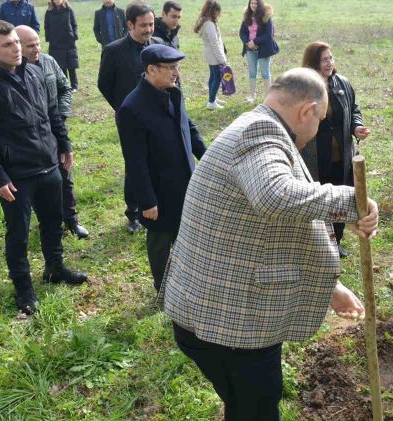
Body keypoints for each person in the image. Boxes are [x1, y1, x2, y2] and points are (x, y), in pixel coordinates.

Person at [160, 68, 378, 421]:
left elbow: (270, 227)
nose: (318, 128)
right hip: (230, 326)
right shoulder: (259, 133)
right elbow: (275, 196)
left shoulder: (260, 128)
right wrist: (353, 201)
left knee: (246, 405)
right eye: (320, 119)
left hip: (221, 316)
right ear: (306, 111)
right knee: (257, 408)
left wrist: (331, 287)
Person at [0, 20, 86, 315]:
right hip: (16, 175)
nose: (16, 49)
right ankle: (24, 289)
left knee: (53, 222)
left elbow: (51, 113)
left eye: (16, 42)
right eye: (7, 44)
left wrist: (64, 144)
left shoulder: (34, 72)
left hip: (48, 164)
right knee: (18, 233)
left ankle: (55, 269)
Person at [117, 44, 206, 292]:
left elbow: (189, 128)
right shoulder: (132, 109)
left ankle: (185, 280)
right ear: (151, 70)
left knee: (185, 233)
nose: (176, 73)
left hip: (185, 180)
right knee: (160, 239)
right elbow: (135, 161)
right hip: (158, 189)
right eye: (171, 68)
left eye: (177, 67)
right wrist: (147, 201)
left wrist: (207, 158)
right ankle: (163, 287)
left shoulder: (173, 92)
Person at [16, 25, 90, 240]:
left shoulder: (49, 62)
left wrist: (62, 114)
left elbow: (65, 88)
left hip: (56, 128)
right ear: (17, 45)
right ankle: (47, 221)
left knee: (64, 174)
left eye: (38, 43)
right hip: (30, 137)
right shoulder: (12, 72)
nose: (36, 49)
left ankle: (71, 219)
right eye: (30, 46)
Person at [98, 2, 165, 233]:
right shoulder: (113, 51)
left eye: (152, 24)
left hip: (159, 116)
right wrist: (122, 107)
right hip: (131, 120)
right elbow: (104, 84)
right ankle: (133, 213)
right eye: (143, 25)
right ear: (130, 24)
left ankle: (156, 203)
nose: (148, 29)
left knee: (158, 159)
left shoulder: (158, 45)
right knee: (135, 163)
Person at [299, 42, 370, 257]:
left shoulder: (343, 84)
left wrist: (356, 126)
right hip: (315, 158)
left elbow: (353, 109)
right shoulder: (304, 89)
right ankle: (319, 243)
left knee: (340, 195)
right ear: (313, 63)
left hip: (342, 155)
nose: (330, 63)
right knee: (319, 198)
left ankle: (336, 240)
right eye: (324, 60)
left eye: (331, 58)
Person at [239, 0, 280, 103]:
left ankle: (268, 98)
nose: (253, 5)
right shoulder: (246, 16)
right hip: (249, 49)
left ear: (260, 5)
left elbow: (268, 34)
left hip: (264, 49)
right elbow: (242, 32)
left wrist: (255, 41)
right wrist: (248, 42)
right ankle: (252, 96)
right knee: (252, 73)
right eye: (251, 3)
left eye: (256, 3)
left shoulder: (266, 17)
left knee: (265, 73)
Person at [194, 0, 227, 110]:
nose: (218, 14)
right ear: (212, 11)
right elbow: (214, 43)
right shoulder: (209, 25)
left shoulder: (206, 22)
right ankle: (211, 102)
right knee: (217, 78)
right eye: (217, 11)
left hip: (210, 54)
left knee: (213, 76)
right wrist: (222, 59)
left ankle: (212, 97)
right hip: (214, 55)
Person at [43, 0, 80, 91]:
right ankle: (66, 85)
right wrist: (49, 38)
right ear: (52, 0)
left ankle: (74, 86)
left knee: (71, 65)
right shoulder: (49, 12)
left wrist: (74, 35)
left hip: (69, 41)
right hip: (56, 43)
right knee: (60, 65)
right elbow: (47, 26)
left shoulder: (68, 10)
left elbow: (74, 24)